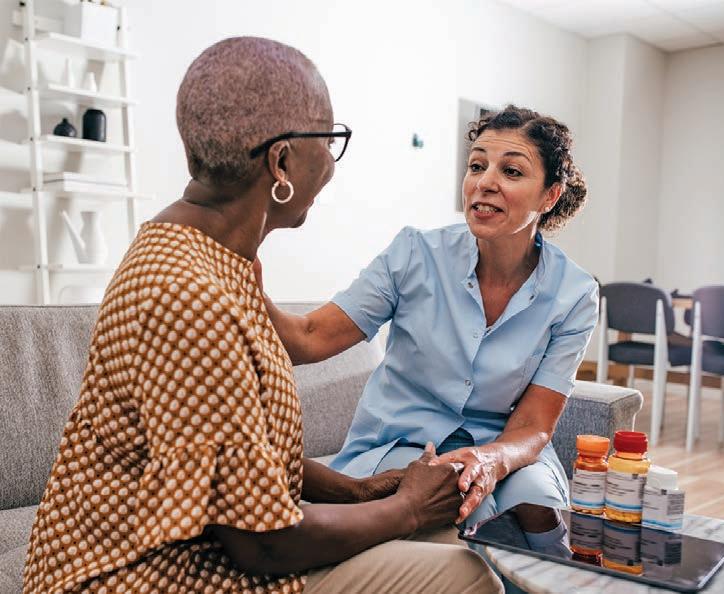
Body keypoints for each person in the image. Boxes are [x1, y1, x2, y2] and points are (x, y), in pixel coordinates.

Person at [22, 37, 501, 594]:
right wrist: (408, 509)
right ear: (281, 162)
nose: (332, 164)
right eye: (329, 141)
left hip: (203, 548)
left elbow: (231, 457)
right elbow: (262, 542)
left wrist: (358, 492)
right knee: (467, 575)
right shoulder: (191, 298)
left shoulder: (213, 255)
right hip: (141, 574)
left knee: (459, 537)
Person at [264, 104, 599, 556]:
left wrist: (490, 459)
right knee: (470, 513)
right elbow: (309, 336)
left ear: (550, 196)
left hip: (502, 446)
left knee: (539, 513)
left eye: (511, 171)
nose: (484, 182)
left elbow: (535, 425)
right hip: (401, 442)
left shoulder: (574, 293)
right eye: (476, 166)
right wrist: (239, 262)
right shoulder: (414, 254)